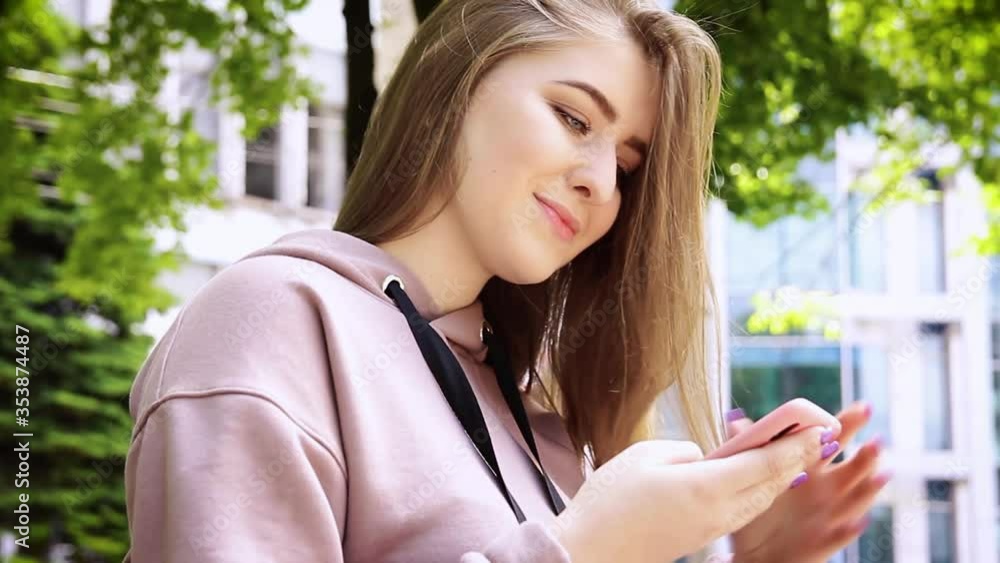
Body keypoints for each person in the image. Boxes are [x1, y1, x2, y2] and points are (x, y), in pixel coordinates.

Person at [122, 0, 890, 561]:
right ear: (456, 81)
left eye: (626, 164)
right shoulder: (277, 322)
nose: (600, 182)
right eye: (573, 117)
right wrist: (580, 551)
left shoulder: (533, 418)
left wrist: (757, 559)